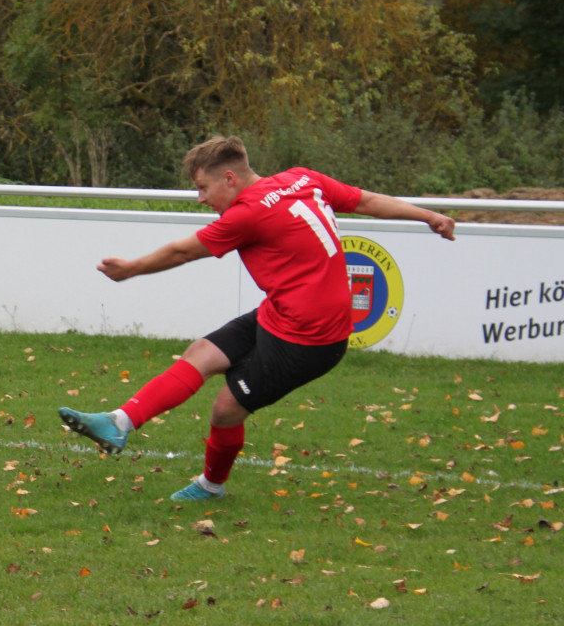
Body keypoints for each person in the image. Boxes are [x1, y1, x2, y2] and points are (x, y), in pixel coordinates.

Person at [59, 135, 456, 502]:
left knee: (225, 410)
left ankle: (211, 486)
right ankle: (119, 421)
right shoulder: (302, 178)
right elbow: (365, 200)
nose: (201, 199)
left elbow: (183, 252)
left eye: (202, 188)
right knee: (201, 353)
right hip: (281, 314)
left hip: (309, 340)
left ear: (229, 178)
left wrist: (130, 269)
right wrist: (427, 215)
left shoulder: (247, 215)